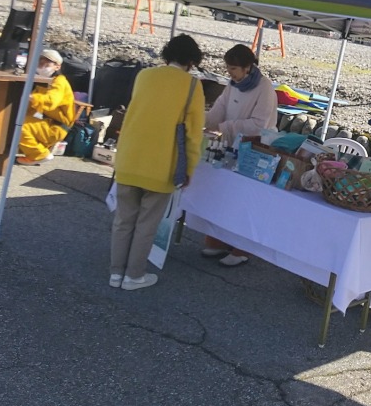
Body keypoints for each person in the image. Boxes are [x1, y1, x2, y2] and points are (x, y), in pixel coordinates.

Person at [110, 34, 205, 291]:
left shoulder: (144, 76)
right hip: (163, 165)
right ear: (192, 61)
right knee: (146, 224)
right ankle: (134, 276)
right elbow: (194, 136)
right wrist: (189, 169)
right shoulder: (193, 87)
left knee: (123, 219)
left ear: (167, 54)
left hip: (129, 158)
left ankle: (116, 273)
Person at [201, 43, 278, 266]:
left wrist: (226, 127)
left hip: (256, 151)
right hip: (231, 146)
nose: (230, 73)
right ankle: (217, 241)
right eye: (228, 68)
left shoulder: (264, 88)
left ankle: (242, 249)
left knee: (244, 200)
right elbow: (219, 108)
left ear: (248, 68)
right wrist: (201, 122)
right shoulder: (233, 84)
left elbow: (259, 124)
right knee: (223, 194)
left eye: (233, 69)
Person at [17, 48, 76, 164]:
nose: (42, 65)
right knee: (17, 121)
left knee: (20, 126)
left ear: (57, 67)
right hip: (48, 122)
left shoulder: (59, 82)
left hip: (57, 127)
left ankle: (39, 155)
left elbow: (51, 101)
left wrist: (33, 98)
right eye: (41, 62)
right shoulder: (45, 81)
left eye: (47, 63)